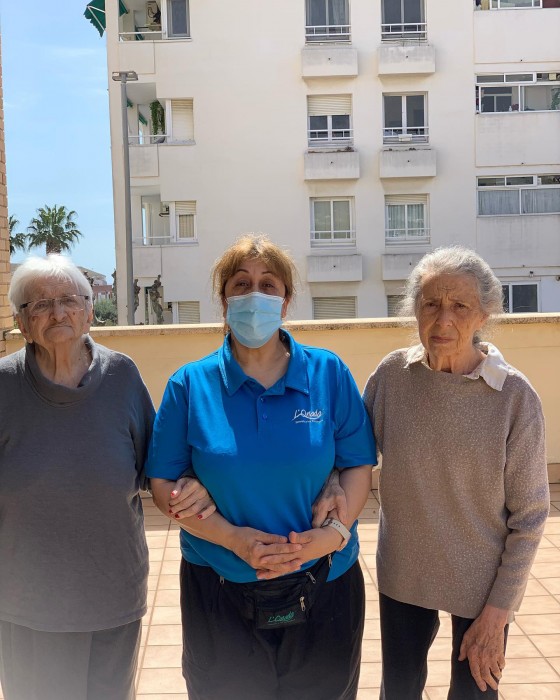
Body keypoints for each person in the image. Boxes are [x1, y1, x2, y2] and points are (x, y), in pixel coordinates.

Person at [147, 234, 376, 700]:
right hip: (219, 590)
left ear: (286, 301)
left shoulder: (328, 373)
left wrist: (332, 535)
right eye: (241, 284)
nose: (255, 295)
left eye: (268, 285)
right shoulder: (189, 385)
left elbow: (357, 464)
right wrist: (233, 538)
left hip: (326, 582)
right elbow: (161, 483)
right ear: (224, 301)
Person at [328, 246, 548, 699]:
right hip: (405, 571)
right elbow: (350, 453)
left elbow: (529, 517)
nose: (443, 319)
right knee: (399, 689)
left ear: (485, 313)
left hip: (482, 582)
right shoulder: (393, 376)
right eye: (430, 304)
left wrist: (499, 611)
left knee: (475, 691)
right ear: (415, 311)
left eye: (460, 306)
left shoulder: (514, 396)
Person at [0, 255, 210, 700]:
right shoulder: (4, 386)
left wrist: (192, 480)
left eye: (69, 300)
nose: (57, 313)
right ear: (21, 322)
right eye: (40, 304)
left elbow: (159, 465)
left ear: (89, 311)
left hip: (113, 595)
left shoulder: (121, 376)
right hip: (28, 602)